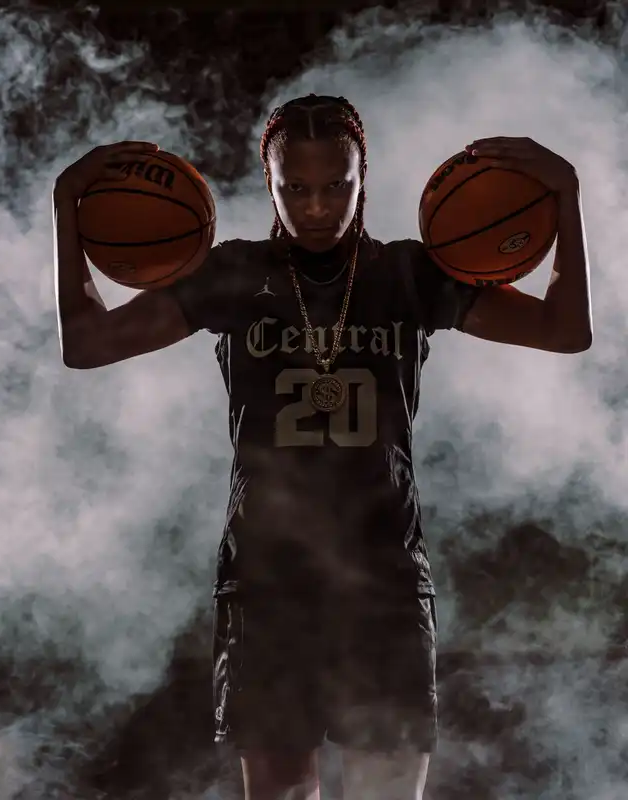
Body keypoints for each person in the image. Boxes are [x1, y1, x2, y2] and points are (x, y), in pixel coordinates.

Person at [52, 95, 592, 800]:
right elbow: (87, 344)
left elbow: (565, 327)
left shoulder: (411, 274)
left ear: (364, 176)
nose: (316, 206)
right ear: (268, 183)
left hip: (386, 582)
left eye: (337, 184)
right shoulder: (231, 273)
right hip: (269, 585)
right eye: (295, 188)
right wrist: (67, 206)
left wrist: (566, 196)